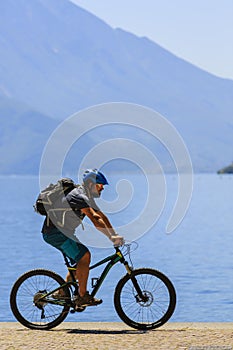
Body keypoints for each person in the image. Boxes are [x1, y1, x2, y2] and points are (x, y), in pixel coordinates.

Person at [41, 169, 124, 307]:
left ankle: (62, 292)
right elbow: (95, 219)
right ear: (90, 184)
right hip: (55, 234)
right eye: (100, 184)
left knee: (80, 263)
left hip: (63, 233)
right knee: (84, 256)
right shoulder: (79, 196)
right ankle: (82, 296)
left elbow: (102, 216)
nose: (102, 187)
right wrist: (112, 238)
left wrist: (114, 234)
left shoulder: (87, 197)